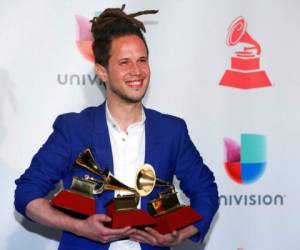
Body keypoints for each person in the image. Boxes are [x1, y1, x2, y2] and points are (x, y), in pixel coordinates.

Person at [14, 5, 219, 250]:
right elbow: (27, 195)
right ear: (102, 71)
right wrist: (80, 227)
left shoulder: (172, 131)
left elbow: (206, 192)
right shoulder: (73, 129)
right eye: (125, 62)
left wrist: (181, 233)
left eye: (142, 60)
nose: (137, 71)